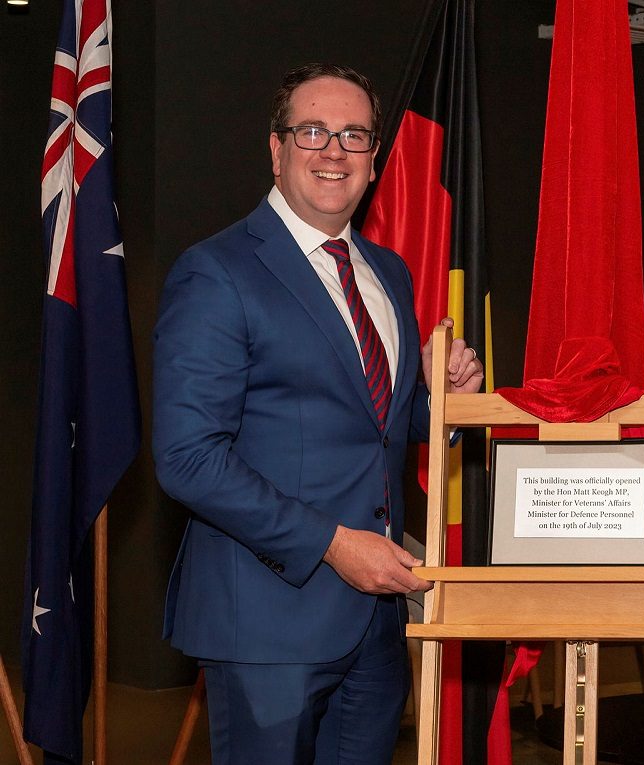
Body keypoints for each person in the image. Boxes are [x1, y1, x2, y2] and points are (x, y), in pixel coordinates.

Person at [153, 63, 482, 763]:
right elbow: (188, 458)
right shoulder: (217, 271)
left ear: (373, 158)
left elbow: (379, 430)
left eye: (354, 135)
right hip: (266, 625)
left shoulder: (387, 272)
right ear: (276, 149)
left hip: (376, 625)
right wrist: (334, 543)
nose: (334, 150)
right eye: (312, 131)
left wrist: (443, 400)